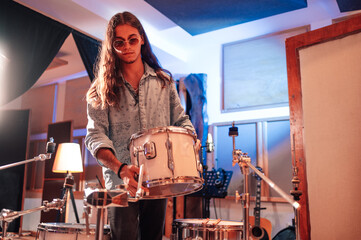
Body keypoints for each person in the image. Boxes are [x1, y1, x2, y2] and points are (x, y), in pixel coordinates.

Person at [85, 11, 196, 240]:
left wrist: (190, 143)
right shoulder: (100, 90)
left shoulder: (164, 82)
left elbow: (182, 122)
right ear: (112, 46)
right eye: (119, 42)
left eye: (132, 39)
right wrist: (121, 169)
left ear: (142, 39)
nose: (127, 46)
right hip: (119, 185)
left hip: (159, 182)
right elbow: (95, 137)